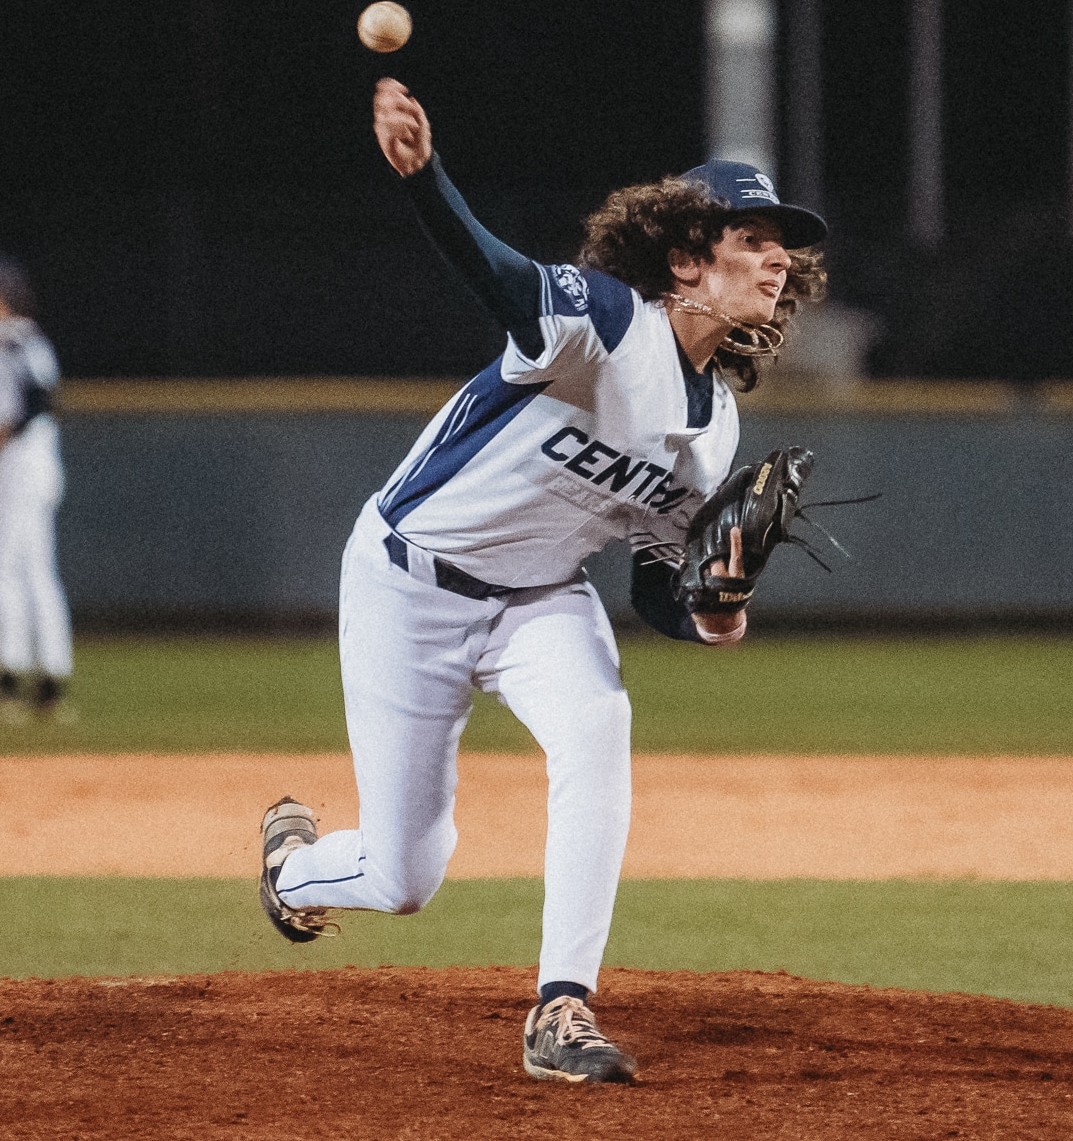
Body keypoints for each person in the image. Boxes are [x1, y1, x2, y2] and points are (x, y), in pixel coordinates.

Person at [258, 78, 827, 1084]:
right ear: (685, 257)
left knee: (598, 723)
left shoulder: (716, 431)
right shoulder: (606, 321)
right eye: (750, 237)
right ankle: (292, 867)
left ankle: (561, 1006)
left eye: (782, 240)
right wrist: (422, 176)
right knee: (401, 876)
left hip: (538, 601)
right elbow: (499, 276)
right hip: (407, 584)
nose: (777, 253)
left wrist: (713, 613)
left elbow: (660, 587)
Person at [0, 255, 73, 722]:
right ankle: (50, 685)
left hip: (17, 467)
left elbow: (33, 405)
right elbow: (43, 400)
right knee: (37, 574)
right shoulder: (31, 339)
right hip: (39, 464)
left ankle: (7, 682)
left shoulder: (7, 341)